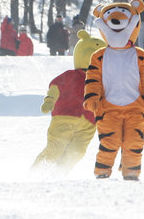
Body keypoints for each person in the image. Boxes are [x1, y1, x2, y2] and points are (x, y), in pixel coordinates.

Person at [83, 0, 144, 181]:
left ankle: (131, 172)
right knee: (109, 141)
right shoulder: (99, 56)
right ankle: (102, 172)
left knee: (134, 141)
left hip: (136, 107)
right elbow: (92, 78)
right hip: (107, 108)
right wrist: (92, 96)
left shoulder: (142, 56)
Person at [32, 30, 105, 175]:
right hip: (65, 117)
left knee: (77, 151)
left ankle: (58, 174)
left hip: (89, 124)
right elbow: (55, 87)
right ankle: (36, 172)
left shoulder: (102, 82)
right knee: (56, 148)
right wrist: (50, 100)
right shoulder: (70, 75)